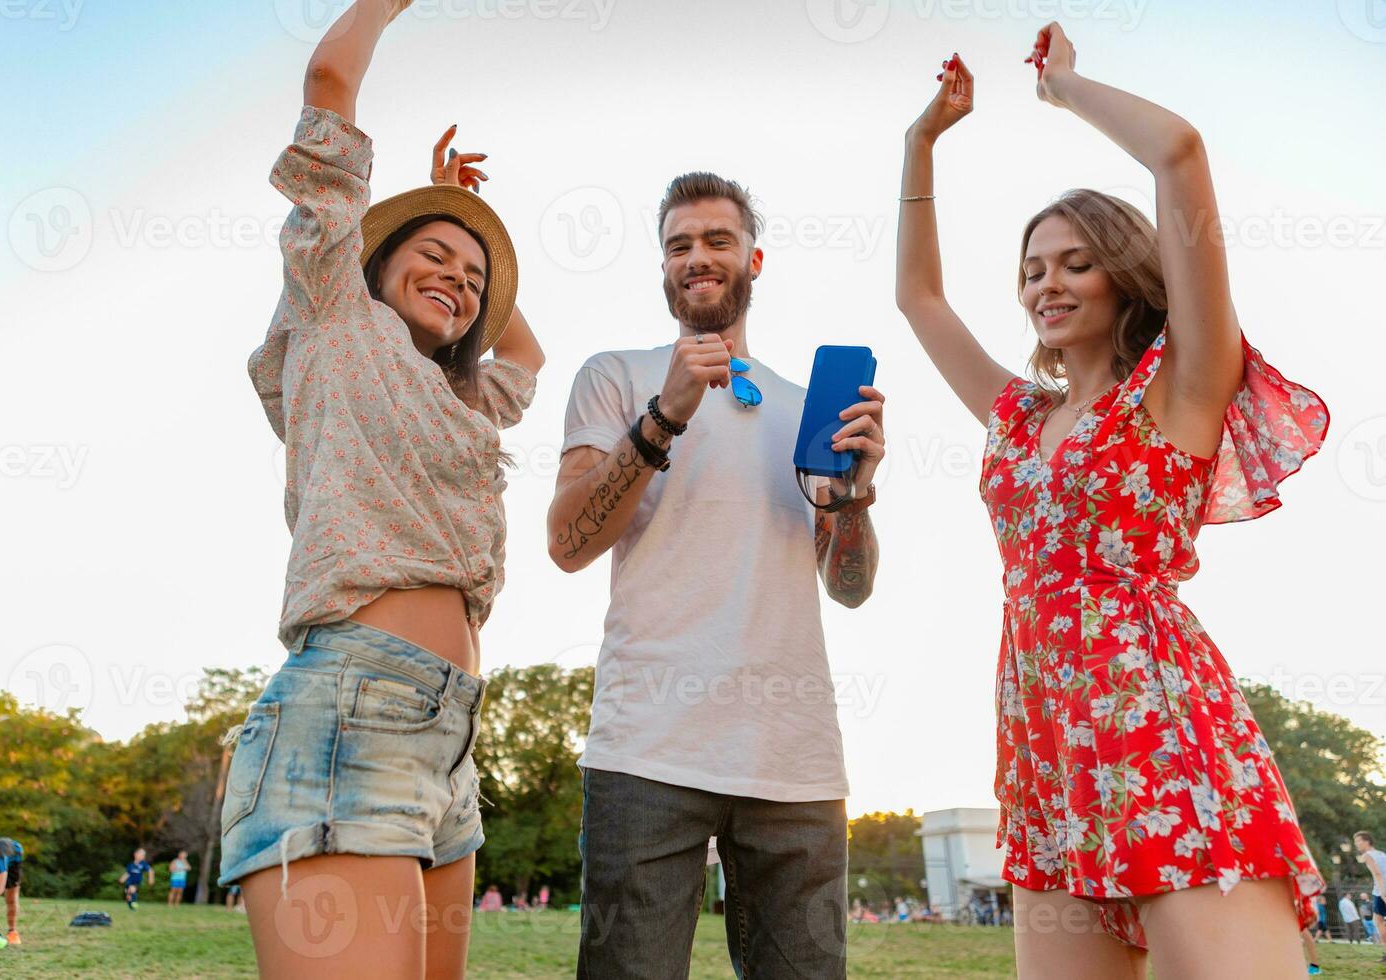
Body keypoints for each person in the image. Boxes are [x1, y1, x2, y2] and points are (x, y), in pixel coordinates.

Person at [896, 22, 1329, 979]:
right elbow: (920, 299)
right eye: (1033, 266)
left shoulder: (1182, 385)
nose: (1046, 282)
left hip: (1158, 726)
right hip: (1042, 740)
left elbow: (1180, 153)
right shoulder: (1018, 415)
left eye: (1074, 261)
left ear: (1124, 273)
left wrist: (1065, 90)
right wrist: (921, 144)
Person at [216, 2, 544, 976]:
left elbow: (526, 347)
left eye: (474, 277)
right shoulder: (333, 311)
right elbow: (328, 90)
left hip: (453, 735)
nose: (458, 279)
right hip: (353, 704)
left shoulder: (463, 392)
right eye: (432, 256)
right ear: (374, 260)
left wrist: (468, 218)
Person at [552, 170, 885, 978]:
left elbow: (848, 587)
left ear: (754, 260)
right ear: (663, 268)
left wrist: (854, 498)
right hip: (648, 745)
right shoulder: (615, 375)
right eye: (678, 246)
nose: (695, 257)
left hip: (793, 756)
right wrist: (664, 413)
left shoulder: (806, 404)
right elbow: (567, 541)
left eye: (715, 241)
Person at [1353, 831, 1386, 960]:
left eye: (1358, 841)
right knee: (1379, 921)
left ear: (1366, 841)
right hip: (1380, 889)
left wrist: (1383, 893)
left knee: (1378, 922)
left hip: (1381, 890)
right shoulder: (1381, 854)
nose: (1356, 844)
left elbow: (1377, 874)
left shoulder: (1367, 855)